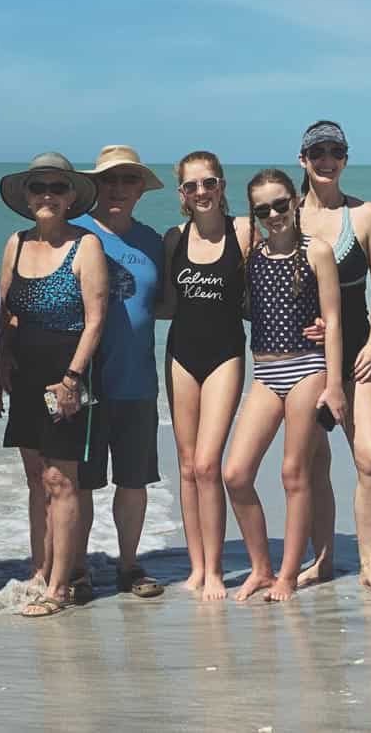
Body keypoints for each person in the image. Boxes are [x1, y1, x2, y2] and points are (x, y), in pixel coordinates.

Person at [223, 169, 346, 601]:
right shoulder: (251, 253)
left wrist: (335, 387)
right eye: (262, 209)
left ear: (295, 201)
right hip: (265, 374)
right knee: (235, 474)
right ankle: (261, 568)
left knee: (294, 473)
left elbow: (332, 323)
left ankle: (288, 576)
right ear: (253, 214)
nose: (273, 214)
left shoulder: (318, 252)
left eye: (280, 204)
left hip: (308, 369)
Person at [0, 153, 107, 617]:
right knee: (35, 479)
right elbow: (2, 312)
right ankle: (41, 568)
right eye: (38, 187)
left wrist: (72, 379)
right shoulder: (16, 244)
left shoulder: (87, 246)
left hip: (67, 374)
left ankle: (60, 587)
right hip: (24, 375)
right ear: (26, 195)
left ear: (71, 197)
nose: (47, 195)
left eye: (57, 188)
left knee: (62, 479)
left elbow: (95, 319)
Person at [295, 121, 371, 596]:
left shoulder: (366, 215)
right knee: (315, 465)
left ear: (345, 159)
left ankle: (370, 563)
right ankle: (322, 559)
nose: (327, 160)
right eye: (318, 153)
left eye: (336, 152)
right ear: (304, 160)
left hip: (357, 355)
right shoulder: (285, 215)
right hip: (307, 359)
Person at [73, 145, 166, 599]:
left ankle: (129, 566)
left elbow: (174, 301)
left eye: (127, 180)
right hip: (84, 383)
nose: (117, 188)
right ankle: (77, 568)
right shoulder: (74, 234)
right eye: (108, 180)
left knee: (133, 481)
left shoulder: (152, 241)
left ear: (140, 191)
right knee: (80, 483)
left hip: (138, 381)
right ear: (94, 185)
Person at [159, 151, 250, 601]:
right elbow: (161, 304)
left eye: (208, 182)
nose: (201, 192)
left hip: (226, 354)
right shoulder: (173, 238)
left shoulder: (244, 231)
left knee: (209, 464)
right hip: (180, 354)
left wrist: (317, 319)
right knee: (187, 464)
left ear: (221, 185)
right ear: (182, 194)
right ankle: (195, 566)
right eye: (192, 186)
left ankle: (215, 569)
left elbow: (284, 267)